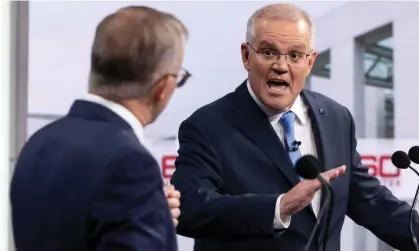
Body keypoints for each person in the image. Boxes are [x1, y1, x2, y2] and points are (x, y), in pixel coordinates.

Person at [170, 3, 419, 251]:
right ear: (246, 56)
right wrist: (279, 208)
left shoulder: (336, 117)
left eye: (295, 55)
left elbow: (370, 201)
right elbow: (190, 208)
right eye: (268, 52)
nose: (281, 65)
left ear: (310, 62)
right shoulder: (206, 126)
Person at [11, 6, 190, 251]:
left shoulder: (40, 142)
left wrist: (154, 222)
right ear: (162, 87)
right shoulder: (130, 165)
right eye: (179, 77)